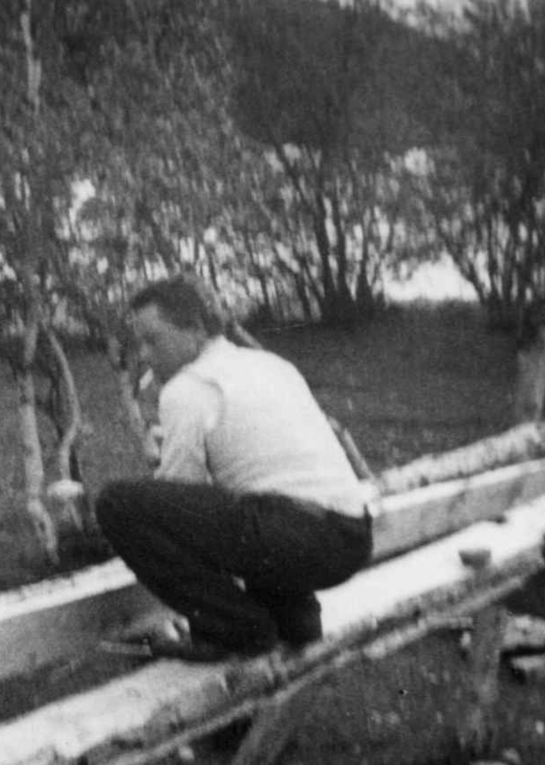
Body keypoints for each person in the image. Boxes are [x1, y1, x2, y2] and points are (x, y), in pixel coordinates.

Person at [96, 276, 373, 660]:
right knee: (257, 503)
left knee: (118, 503)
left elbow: (180, 498)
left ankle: (233, 629)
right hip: (353, 536)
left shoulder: (187, 388)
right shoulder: (270, 364)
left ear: (194, 329)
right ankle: (295, 620)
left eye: (152, 340)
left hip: (300, 539)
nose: (143, 354)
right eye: (138, 343)